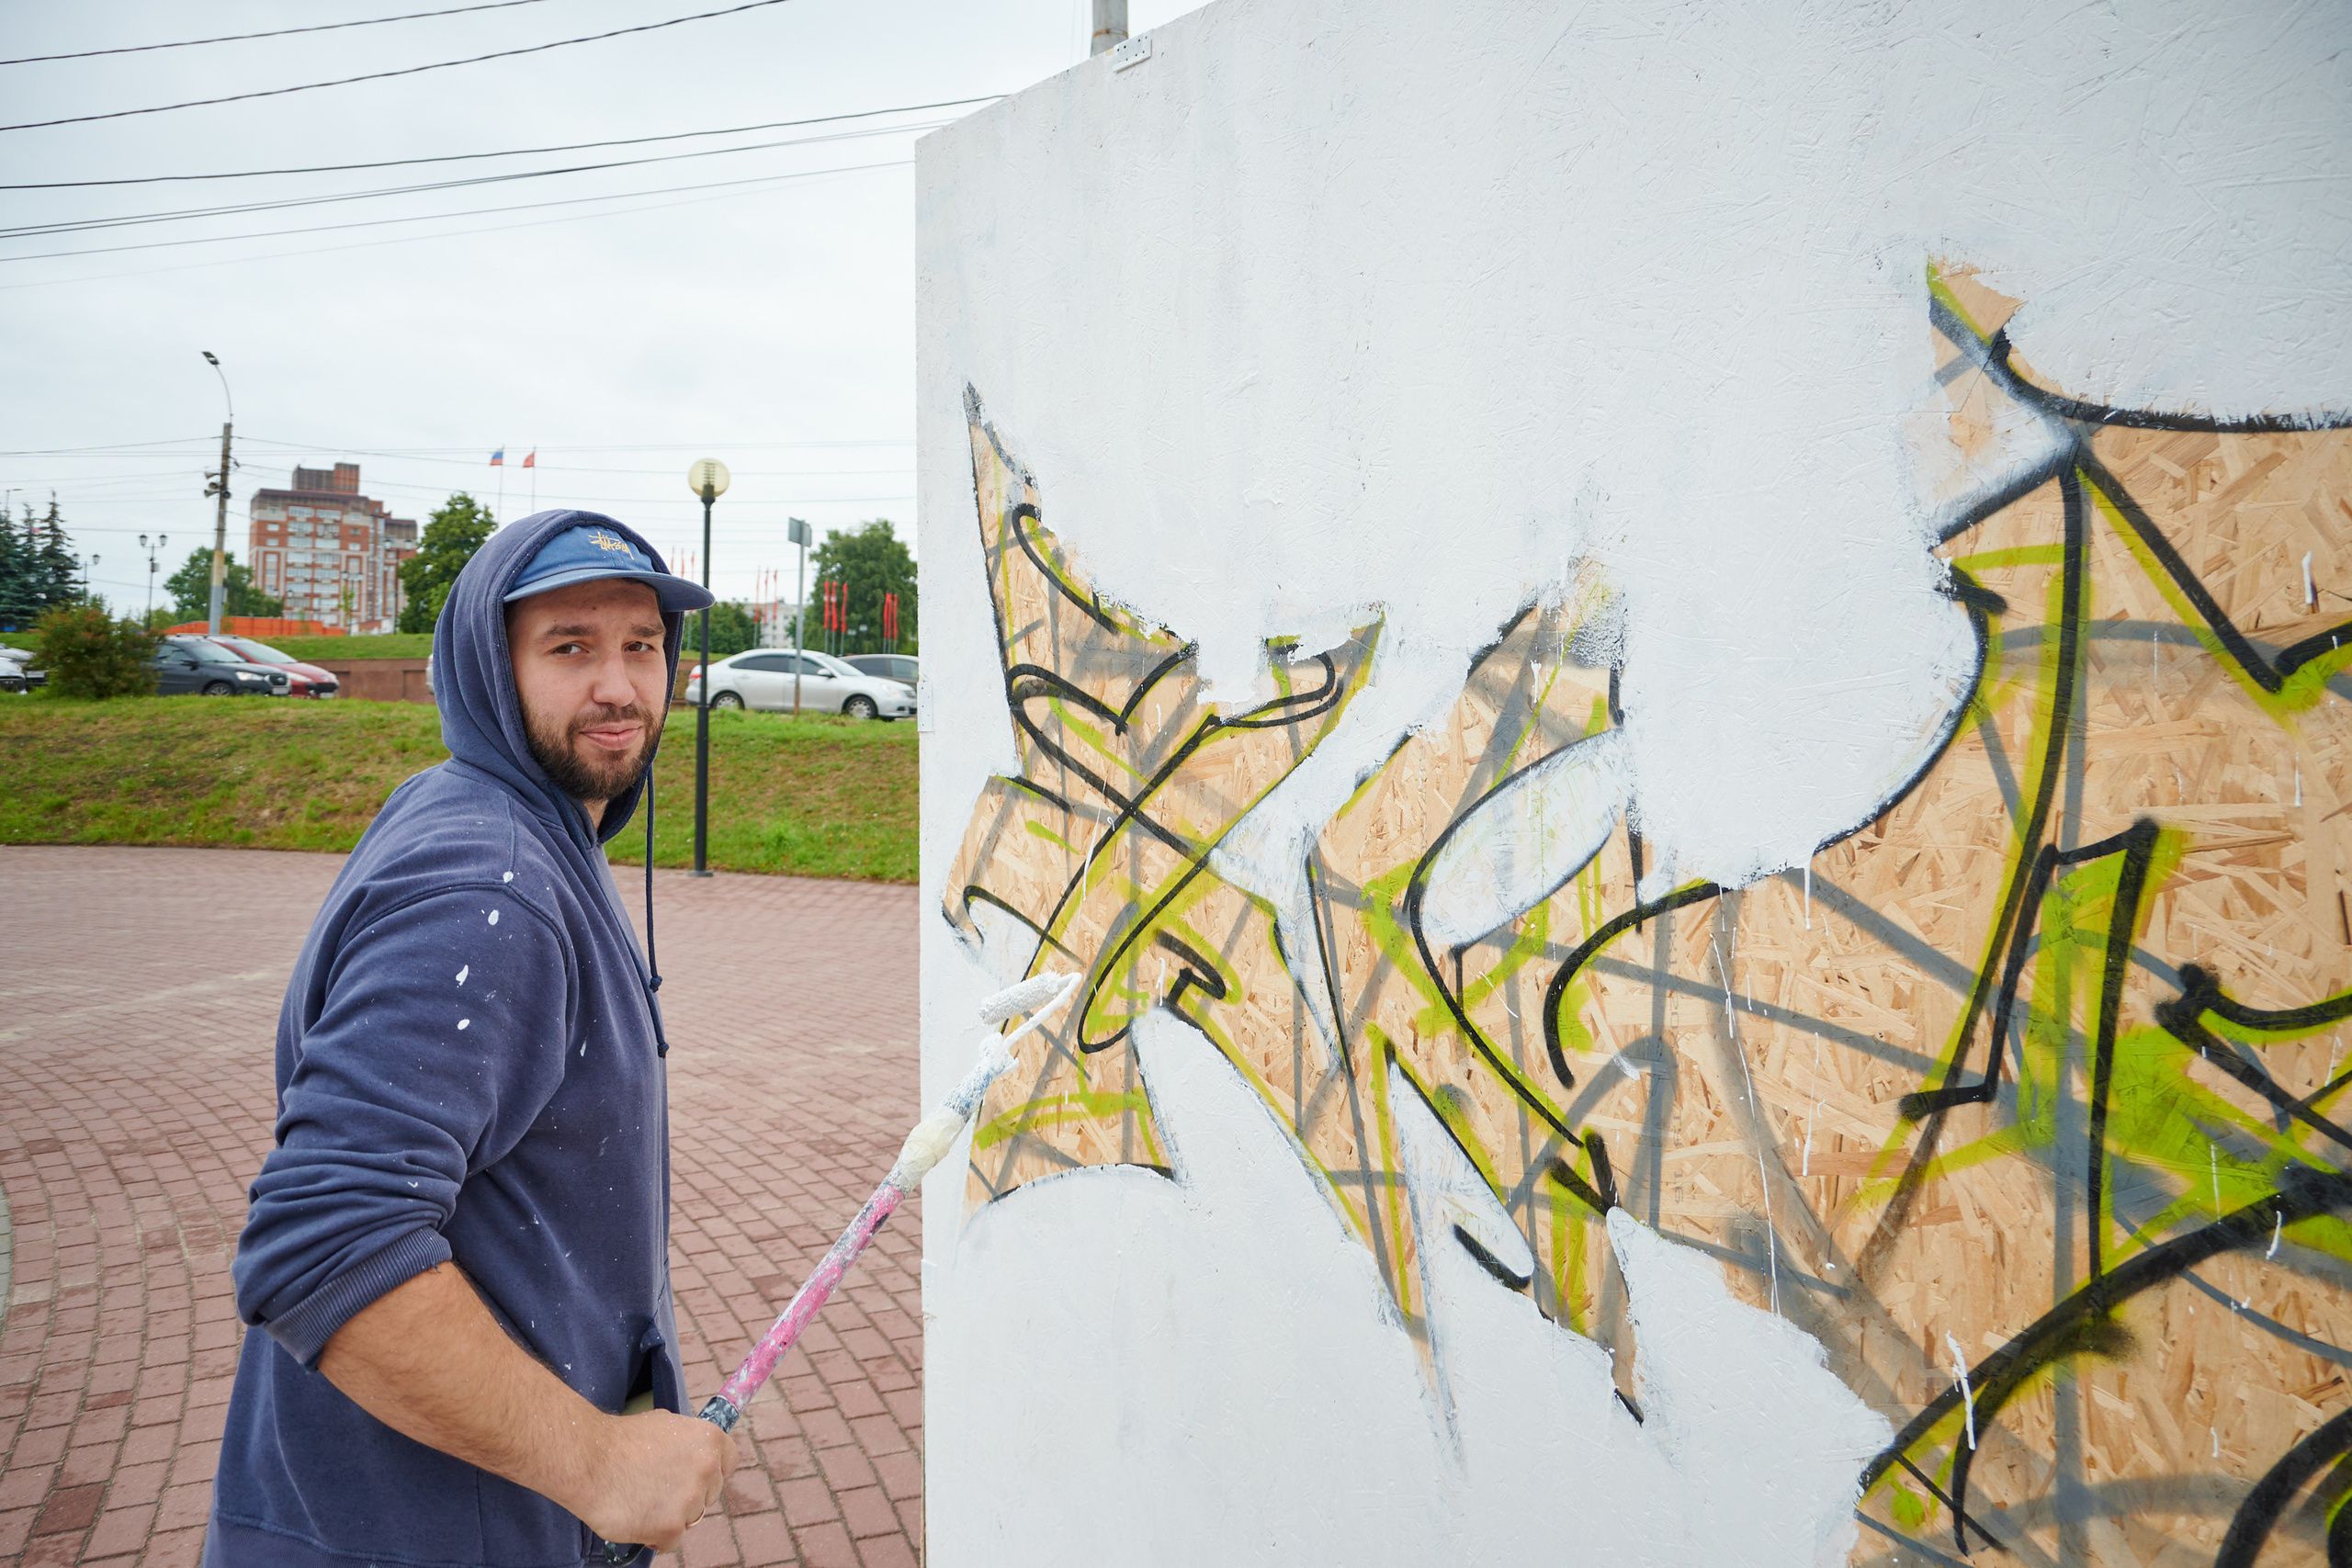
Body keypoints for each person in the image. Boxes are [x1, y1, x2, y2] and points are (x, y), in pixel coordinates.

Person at [207, 513, 738, 1566]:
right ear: (487, 668)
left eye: (642, 645)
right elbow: (324, 1244)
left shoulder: (490, 813)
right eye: (570, 646)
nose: (622, 688)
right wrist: (596, 1464)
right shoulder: (487, 888)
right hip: (417, 1532)